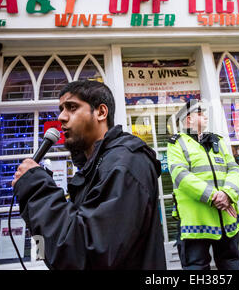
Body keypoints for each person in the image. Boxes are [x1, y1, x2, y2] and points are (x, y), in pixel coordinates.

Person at [11, 80, 166, 270]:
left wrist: (36, 188)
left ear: (101, 112)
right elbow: (57, 253)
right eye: (61, 109)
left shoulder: (124, 163)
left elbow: (88, 252)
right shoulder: (95, 167)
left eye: (72, 107)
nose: (61, 117)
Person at [167, 99, 239, 270]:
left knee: (231, 264)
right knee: (196, 267)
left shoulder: (219, 141)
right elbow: (180, 174)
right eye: (200, 113)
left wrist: (228, 193)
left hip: (225, 219)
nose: (205, 117)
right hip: (195, 221)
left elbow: (236, 169)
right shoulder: (177, 143)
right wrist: (214, 196)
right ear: (189, 119)